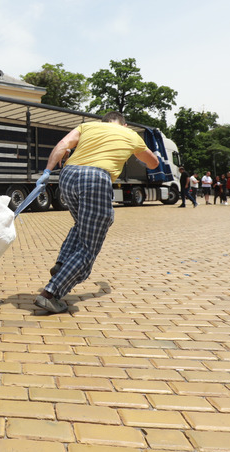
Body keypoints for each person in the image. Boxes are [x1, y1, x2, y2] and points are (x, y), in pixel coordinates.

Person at [33, 111, 159, 313]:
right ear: (124, 125)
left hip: (68, 175)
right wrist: (141, 158)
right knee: (89, 246)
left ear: (104, 122)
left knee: (84, 224)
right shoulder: (131, 135)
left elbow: (62, 145)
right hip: (96, 178)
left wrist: (47, 172)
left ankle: (63, 262)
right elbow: (153, 163)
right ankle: (50, 294)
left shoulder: (87, 126)